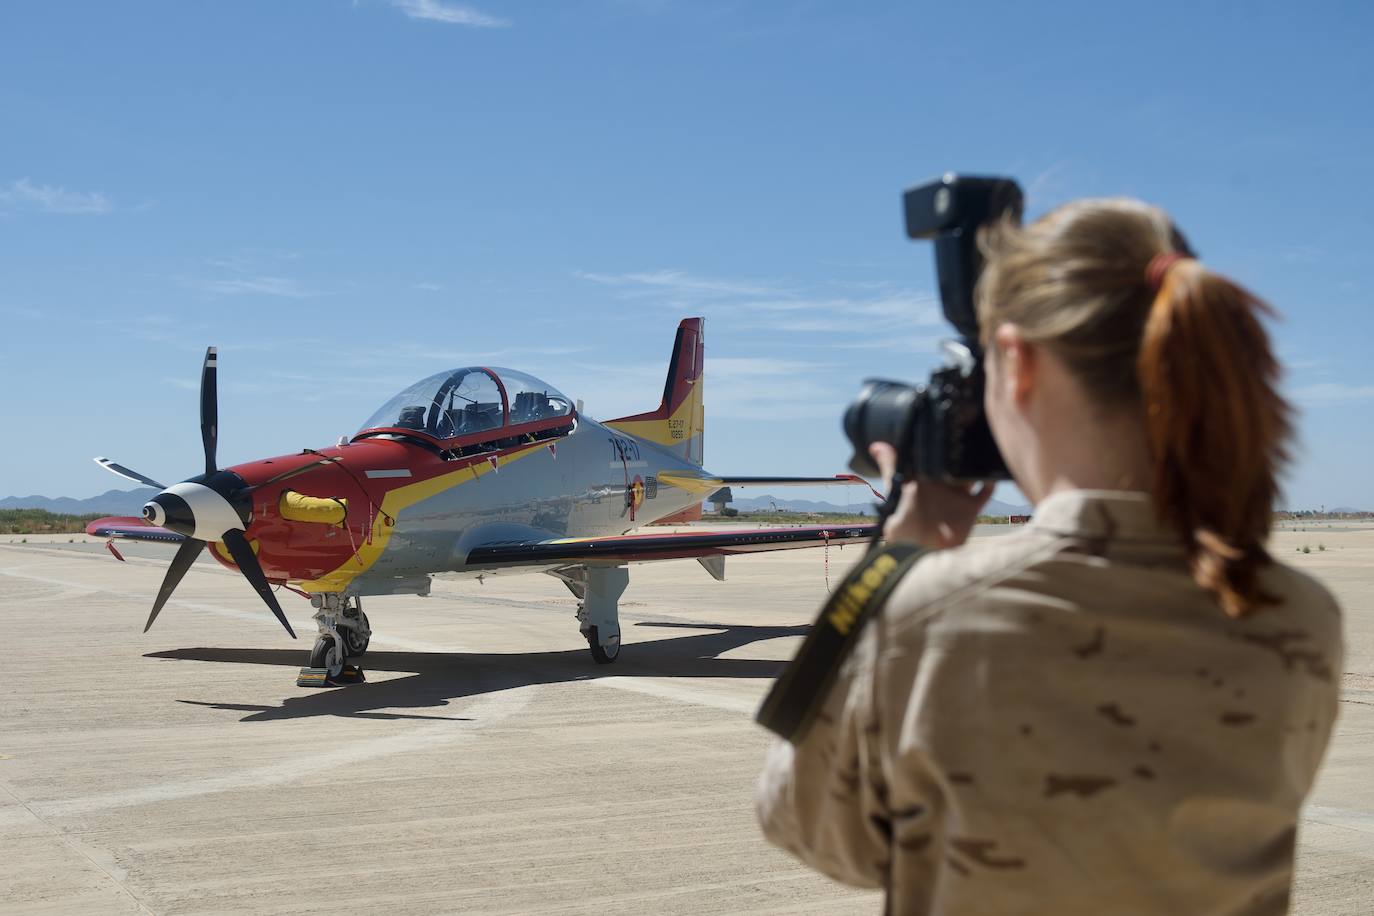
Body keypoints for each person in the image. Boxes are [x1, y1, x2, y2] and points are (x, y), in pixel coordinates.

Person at [756, 198, 1344, 915]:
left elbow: (810, 829)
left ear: (1019, 362)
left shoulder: (928, 612)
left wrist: (887, 571)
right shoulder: (1302, 619)